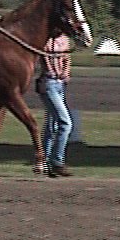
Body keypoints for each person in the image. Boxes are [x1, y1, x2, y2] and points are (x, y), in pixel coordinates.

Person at [37, 28, 74, 177]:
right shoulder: (45, 39)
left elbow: (66, 57)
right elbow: (45, 57)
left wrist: (66, 72)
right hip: (49, 83)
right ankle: (57, 161)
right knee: (66, 123)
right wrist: (52, 72)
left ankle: (44, 162)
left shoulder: (64, 39)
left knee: (52, 126)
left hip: (60, 84)